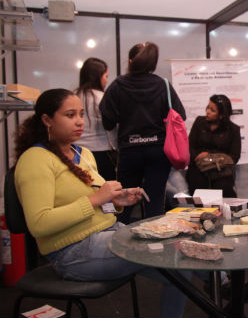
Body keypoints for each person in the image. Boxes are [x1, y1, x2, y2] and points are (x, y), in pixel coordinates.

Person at [14, 89, 189, 318]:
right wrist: (97, 198)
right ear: (47, 120)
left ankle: (224, 284)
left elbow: (98, 205)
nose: (79, 121)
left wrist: (116, 201)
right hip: (73, 253)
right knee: (176, 251)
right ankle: (226, 283)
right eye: (69, 115)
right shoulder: (36, 159)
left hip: (110, 234)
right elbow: (39, 224)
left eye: (81, 114)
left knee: (181, 267)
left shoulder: (83, 153)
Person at [100, 42, 186, 223]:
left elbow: (107, 120)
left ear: (130, 61)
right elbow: (181, 115)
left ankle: (120, 242)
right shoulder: (163, 85)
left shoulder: (118, 85)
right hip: (158, 151)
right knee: (154, 201)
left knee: (124, 201)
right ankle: (153, 245)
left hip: (130, 151)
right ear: (153, 64)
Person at [186, 94, 241, 198]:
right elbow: (190, 146)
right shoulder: (199, 122)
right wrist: (198, 158)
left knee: (224, 197)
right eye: (208, 107)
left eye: (212, 110)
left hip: (221, 172)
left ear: (221, 115)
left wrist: (209, 156)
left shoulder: (233, 130)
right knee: (199, 199)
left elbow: (235, 156)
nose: (207, 111)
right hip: (198, 170)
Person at [75, 57, 117, 181]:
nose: (106, 80)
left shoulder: (72, 97)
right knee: (105, 192)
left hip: (76, 151)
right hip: (102, 153)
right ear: (98, 77)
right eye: (106, 76)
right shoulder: (104, 98)